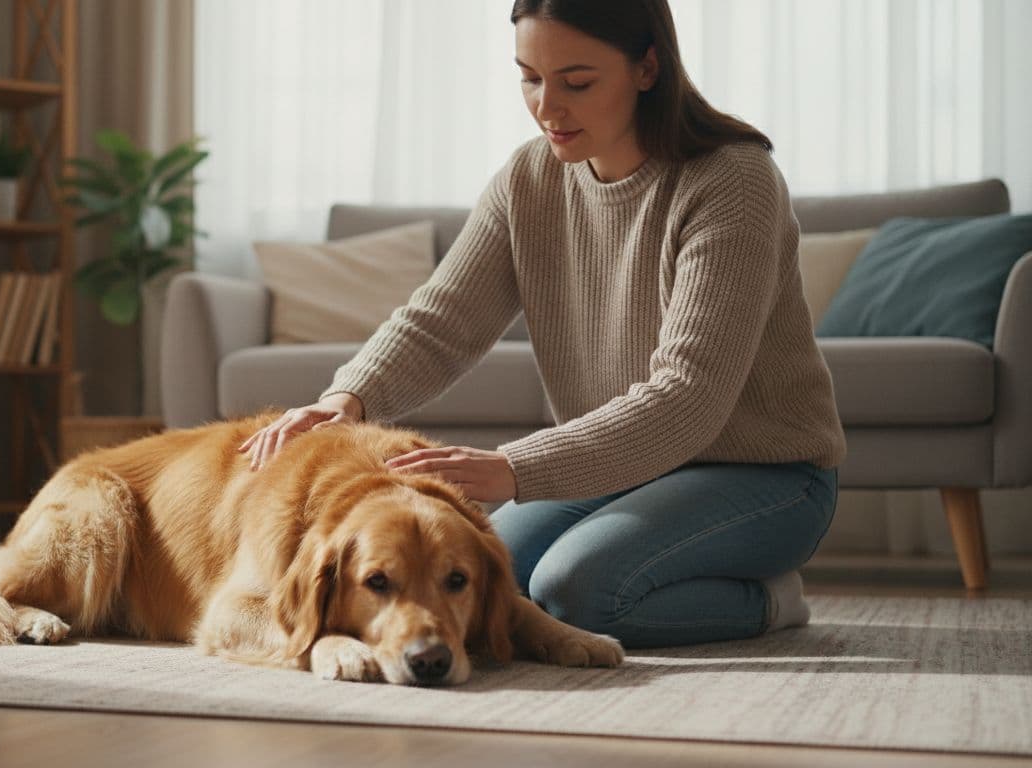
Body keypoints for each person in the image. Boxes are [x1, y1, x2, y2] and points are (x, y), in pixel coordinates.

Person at [237, 0, 845, 649]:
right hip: (624, 470)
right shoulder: (529, 179)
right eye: (531, 77)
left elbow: (688, 396)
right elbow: (441, 320)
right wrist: (345, 401)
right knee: (496, 582)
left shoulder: (732, 179)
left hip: (769, 477)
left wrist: (513, 468)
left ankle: (770, 603)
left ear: (647, 67)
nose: (548, 107)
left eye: (577, 82)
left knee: (579, 591)